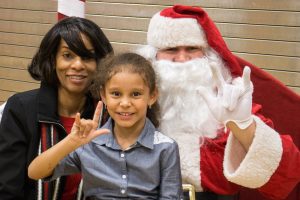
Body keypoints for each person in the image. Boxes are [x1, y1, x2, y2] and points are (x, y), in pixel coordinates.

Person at [137, 5, 300, 200]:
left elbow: (287, 169)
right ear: (152, 56)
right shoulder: (134, 101)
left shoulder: (229, 100)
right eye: (171, 49)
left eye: (192, 48)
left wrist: (243, 125)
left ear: (208, 55)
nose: (182, 58)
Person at [28, 52, 183, 199]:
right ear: (103, 95)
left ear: (152, 96)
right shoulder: (88, 143)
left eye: (136, 94)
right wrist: (71, 142)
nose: (125, 103)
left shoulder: (165, 148)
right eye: (116, 94)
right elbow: (35, 172)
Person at [0, 17, 113, 200]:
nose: (77, 65)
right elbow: (7, 189)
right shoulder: (21, 108)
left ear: (99, 63)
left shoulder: (108, 112)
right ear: (52, 59)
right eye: (68, 55)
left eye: (87, 56)